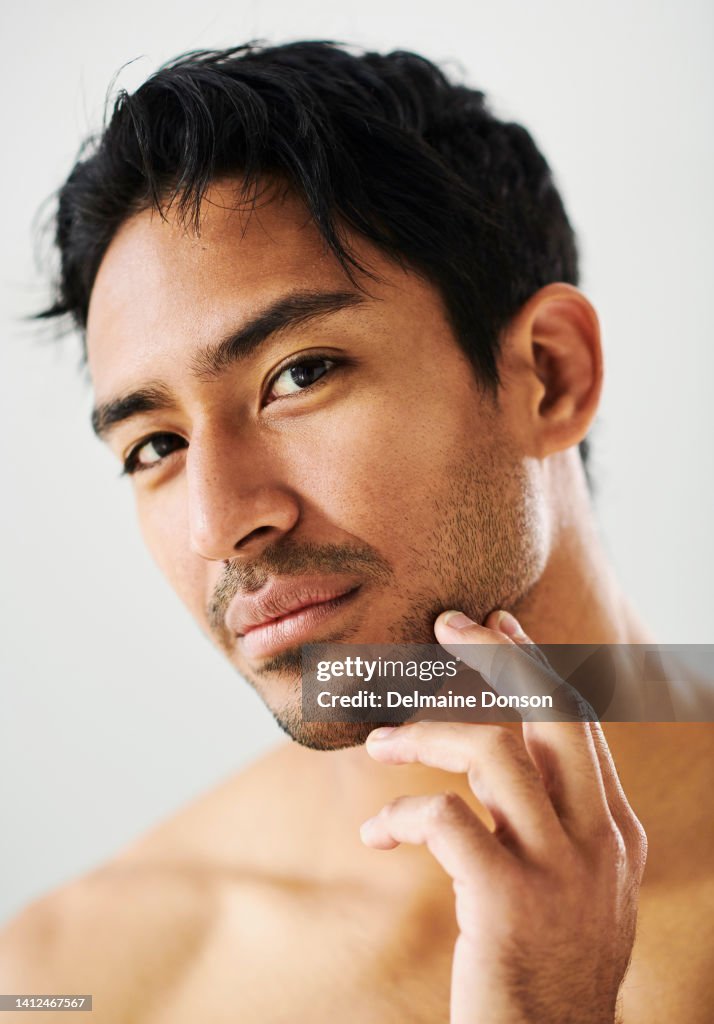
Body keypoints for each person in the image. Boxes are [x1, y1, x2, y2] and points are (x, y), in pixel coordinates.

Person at [1, 41, 712, 1023]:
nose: (224, 521)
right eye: (155, 444)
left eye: (299, 375)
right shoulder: (78, 980)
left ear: (549, 375)